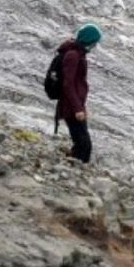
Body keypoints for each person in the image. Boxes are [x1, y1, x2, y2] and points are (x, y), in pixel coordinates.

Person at [55, 24, 102, 163]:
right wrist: (77, 109)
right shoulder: (73, 56)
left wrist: (81, 107)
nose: (95, 46)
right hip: (71, 107)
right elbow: (68, 85)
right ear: (89, 41)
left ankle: (74, 168)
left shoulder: (79, 54)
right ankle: (74, 171)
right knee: (84, 144)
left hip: (76, 106)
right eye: (94, 42)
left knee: (82, 142)